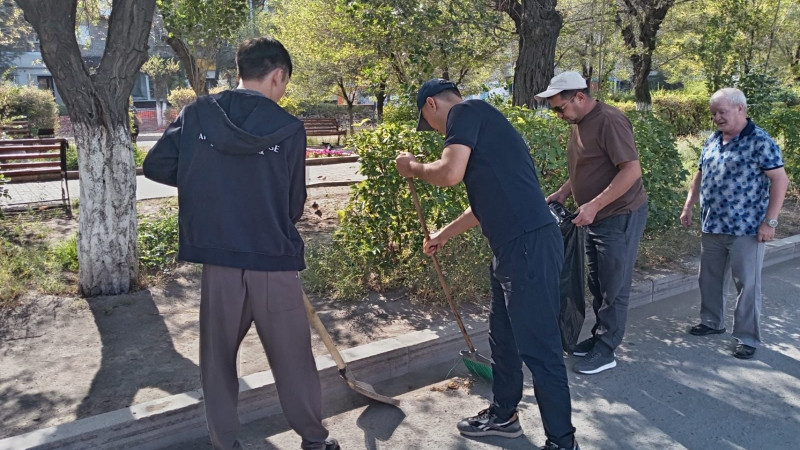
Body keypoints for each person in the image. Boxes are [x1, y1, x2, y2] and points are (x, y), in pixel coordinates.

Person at [143, 37, 338, 450]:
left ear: (239, 70)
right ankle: (315, 441)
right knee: (293, 360)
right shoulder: (288, 128)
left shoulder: (198, 113)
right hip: (273, 258)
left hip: (220, 260)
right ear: (277, 74)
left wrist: (210, 183)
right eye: (284, 82)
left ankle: (225, 443)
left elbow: (156, 164)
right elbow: (293, 203)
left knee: (217, 360)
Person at [396, 79, 578, 450]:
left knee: (540, 350)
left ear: (431, 104)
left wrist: (413, 167)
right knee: (504, 339)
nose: (434, 130)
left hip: (527, 245)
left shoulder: (466, 111)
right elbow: (484, 204)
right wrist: (444, 234)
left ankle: (562, 442)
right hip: (513, 247)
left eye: (427, 122)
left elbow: (448, 174)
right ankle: (504, 415)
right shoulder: (486, 125)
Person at [536, 71, 648, 375]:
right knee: (597, 282)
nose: (558, 115)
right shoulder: (579, 122)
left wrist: (595, 204)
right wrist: (563, 191)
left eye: (560, 108)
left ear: (580, 97)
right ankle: (600, 337)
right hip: (595, 217)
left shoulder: (609, 120)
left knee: (615, 285)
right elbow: (587, 167)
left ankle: (607, 349)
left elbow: (631, 171)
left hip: (619, 215)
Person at [680, 87, 789, 360]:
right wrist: (689, 204)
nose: (717, 118)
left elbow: (780, 180)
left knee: (747, 285)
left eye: (722, 112)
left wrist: (770, 221)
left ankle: (747, 337)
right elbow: (700, 173)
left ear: (740, 108)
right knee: (709, 279)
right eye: (714, 113)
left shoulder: (760, 141)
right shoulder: (713, 140)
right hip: (713, 224)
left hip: (747, 229)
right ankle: (711, 322)